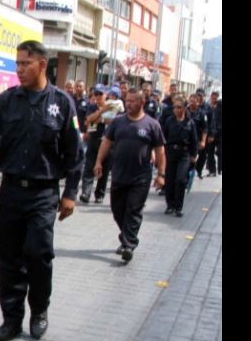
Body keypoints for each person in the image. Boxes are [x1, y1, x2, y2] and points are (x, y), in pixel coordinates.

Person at [0, 39, 83, 341]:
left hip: (44, 193)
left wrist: (70, 193)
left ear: (42, 65)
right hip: (12, 191)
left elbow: (75, 152)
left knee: (39, 254)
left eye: (25, 64)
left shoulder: (62, 103)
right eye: (16, 64)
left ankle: (39, 311)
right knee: (9, 257)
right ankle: (11, 319)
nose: (19, 70)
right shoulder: (8, 101)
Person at [94, 88, 166, 263]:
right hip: (119, 174)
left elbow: (160, 151)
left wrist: (161, 174)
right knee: (117, 210)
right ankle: (127, 236)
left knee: (133, 210)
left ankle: (128, 245)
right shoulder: (117, 122)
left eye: (133, 101)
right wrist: (98, 162)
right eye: (127, 100)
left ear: (142, 103)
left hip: (140, 177)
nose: (129, 104)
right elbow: (106, 143)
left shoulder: (152, 125)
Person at [161, 96, 198, 217]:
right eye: (174, 107)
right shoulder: (169, 121)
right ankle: (170, 205)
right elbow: (163, 137)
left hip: (184, 154)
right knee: (170, 179)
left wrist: (194, 155)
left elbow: (194, 140)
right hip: (171, 152)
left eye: (179, 107)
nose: (176, 109)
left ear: (184, 108)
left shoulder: (190, 122)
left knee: (181, 180)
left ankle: (178, 206)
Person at [79, 84, 112, 204]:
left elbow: (112, 120)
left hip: (108, 141)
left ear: (106, 95)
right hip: (94, 139)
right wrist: (101, 112)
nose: (98, 96)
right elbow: (89, 119)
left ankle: (100, 194)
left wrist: (99, 118)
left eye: (100, 94)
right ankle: (86, 193)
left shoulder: (111, 106)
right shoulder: (92, 106)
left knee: (104, 169)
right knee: (89, 167)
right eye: (96, 94)